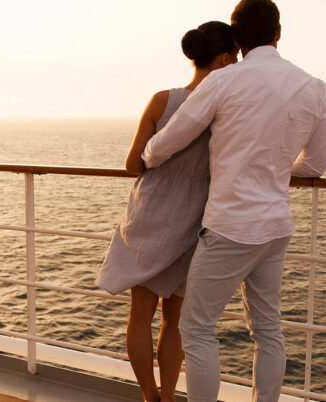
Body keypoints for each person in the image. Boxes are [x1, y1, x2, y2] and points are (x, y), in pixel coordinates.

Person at [142, 1, 326, 401]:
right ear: (279, 33)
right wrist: (277, 169)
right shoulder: (313, 87)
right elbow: (315, 164)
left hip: (229, 227)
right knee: (268, 328)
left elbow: (170, 141)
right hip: (276, 226)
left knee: (197, 328)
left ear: (237, 38)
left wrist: (147, 157)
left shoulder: (224, 82)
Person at [95, 22, 238, 402]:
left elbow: (132, 164)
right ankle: (170, 396)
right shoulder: (226, 109)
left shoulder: (163, 100)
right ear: (225, 59)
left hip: (149, 214)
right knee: (174, 320)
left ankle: (149, 396)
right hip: (194, 220)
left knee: (139, 315)